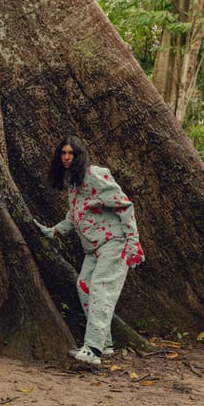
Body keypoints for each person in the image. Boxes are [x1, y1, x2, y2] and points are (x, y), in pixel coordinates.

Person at [34, 136, 144, 365]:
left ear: (79, 155)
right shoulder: (73, 183)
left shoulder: (95, 175)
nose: (66, 157)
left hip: (114, 243)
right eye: (63, 153)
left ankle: (92, 350)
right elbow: (73, 217)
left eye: (70, 153)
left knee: (100, 288)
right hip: (93, 248)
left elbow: (124, 205)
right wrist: (52, 231)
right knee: (84, 286)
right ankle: (105, 344)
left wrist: (133, 242)